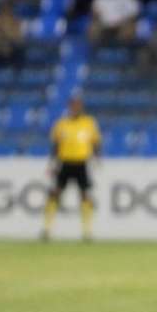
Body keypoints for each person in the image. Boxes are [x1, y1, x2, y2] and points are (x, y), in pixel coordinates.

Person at [41, 96, 101, 242]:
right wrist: (52, 164)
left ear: (81, 107)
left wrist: (97, 157)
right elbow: (55, 146)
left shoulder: (89, 123)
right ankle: (47, 230)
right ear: (69, 107)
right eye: (73, 105)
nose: (76, 108)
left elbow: (95, 142)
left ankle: (87, 232)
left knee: (85, 195)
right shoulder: (61, 124)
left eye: (78, 105)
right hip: (65, 162)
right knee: (54, 193)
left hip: (81, 163)